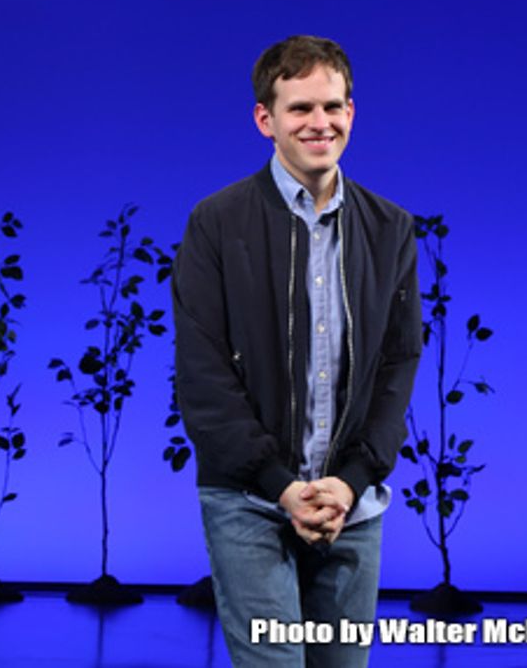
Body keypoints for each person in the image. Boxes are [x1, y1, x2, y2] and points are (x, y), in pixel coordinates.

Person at [172, 34, 422, 667]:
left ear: (352, 113)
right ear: (266, 120)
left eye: (333, 107)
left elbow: (398, 366)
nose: (320, 123)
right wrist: (282, 486)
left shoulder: (390, 228)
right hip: (249, 501)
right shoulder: (216, 223)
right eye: (300, 109)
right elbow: (202, 377)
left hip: (352, 506)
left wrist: (352, 480)